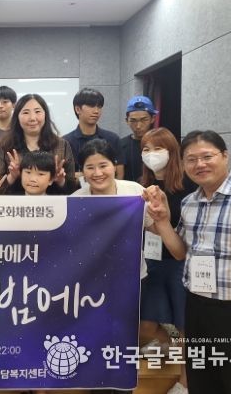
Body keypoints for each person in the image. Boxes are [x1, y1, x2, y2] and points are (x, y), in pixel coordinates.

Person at [144, 130, 231, 394]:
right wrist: (162, 221)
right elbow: (180, 252)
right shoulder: (191, 202)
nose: (199, 165)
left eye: (207, 157)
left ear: (225, 156)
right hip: (198, 308)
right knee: (203, 384)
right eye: (191, 159)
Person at [139, 127, 195, 394]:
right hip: (152, 262)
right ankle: (170, 346)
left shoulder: (187, 185)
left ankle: (184, 381)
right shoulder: (142, 186)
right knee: (148, 323)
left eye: (158, 149)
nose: (151, 155)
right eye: (146, 149)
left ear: (172, 152)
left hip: (180, 263)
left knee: (183, 325)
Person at [72, 139, 150, 279]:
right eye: (90, 167)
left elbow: (155, 226)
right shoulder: (75, 201)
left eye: (103, 166)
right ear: (82, 171)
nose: (97, 173)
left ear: (114, 165)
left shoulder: (135, 191)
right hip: (90, 278)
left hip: (132, 276)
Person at [0, 93, 78, 195]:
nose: (32, 118)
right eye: (26, 112)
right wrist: (12, 176)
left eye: (37, 112)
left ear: (45, 114)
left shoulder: (61, 145)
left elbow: (74, 190)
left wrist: (60, 180)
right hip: (16, 203)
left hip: (53, 203)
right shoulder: (6, 146)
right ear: (17, 116)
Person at [63, 87, 124, 179]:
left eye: (99, 106)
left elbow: (119, 174)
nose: (96, 111)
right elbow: (62, 176)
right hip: (75, 188)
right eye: (91, 106)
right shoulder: (65, 142)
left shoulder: (112, 139)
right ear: (78, 109)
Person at [121, 96, 157, 183]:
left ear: (153, 119)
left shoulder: (162, 143)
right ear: (127, 121)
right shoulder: (120, 145)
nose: (138, 126)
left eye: (144, 120)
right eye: (133, 121)